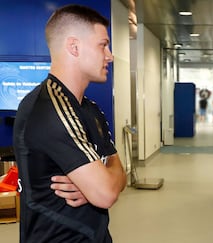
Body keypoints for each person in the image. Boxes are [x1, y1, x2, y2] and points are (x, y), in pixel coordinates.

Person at [13, 4, 127, 243]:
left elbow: (117, 170)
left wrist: (97, 184)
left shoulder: (90, 109)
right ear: (74, 47)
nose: (110, 55)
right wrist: (99, 185)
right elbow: (106, 194)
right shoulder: (48, 109)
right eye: (103, 45)